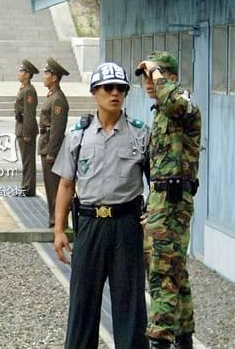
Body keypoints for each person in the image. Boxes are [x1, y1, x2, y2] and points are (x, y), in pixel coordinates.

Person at [52, 62, 150, 349]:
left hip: (126, 227)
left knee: (130, 305)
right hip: (90, 226)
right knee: (83, 302)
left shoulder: (140, 135)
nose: (115, 94)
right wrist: (59, 230)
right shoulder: (78, 135)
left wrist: (151, 221)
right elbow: (66, 185)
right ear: (95, 92)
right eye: (108, 88)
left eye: (121, 88)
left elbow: (155, 182)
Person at [136, 52, 201, 349]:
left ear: (170, 77)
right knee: (175, 270)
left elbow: (175, 101)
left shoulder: (182, 102)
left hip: (174, 202)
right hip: (163, 200)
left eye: (154, 76)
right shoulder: (160, 112)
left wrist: (158, 73)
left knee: (161, 273)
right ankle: (184, 336)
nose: (148, 82)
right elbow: (157, 168)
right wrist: (152, 206)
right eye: (145, 77)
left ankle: (159, 340)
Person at [38, 57, 70, 226]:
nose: (43, 76)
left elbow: (57, 129)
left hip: (50, 148)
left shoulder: (58, 99)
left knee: (54, 187)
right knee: (51, 188)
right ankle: (55, 220)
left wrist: (51, 152)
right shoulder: (52, 96)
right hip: (45, 144)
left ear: (54, 77)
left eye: (46, 73)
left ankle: (58, 221)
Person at [14, 59, 39, 196]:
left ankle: (28, 189)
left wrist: (27, 132)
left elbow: (29, 113)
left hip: (25, 129)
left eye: (22, 71)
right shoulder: (24, 88)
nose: (19, 73)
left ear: (28, 75)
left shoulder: (28, 91)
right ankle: (26, 186)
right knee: (26, 161)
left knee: (28, 161)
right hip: (21, 127)